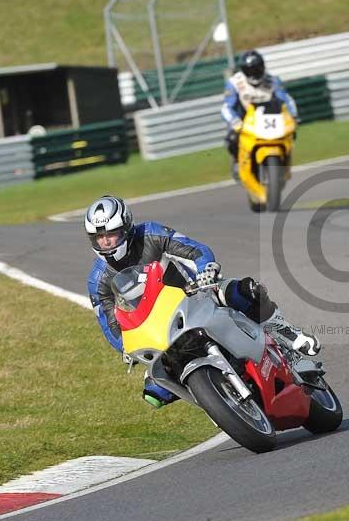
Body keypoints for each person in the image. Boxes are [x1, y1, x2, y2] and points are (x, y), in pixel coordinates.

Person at [85, 195, 320, 408]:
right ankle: (217, 401)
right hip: (159, 329)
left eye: (111, 234)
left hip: (195, 294)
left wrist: (205, 270)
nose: (105, 242)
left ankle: (286, 333)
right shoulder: (98, 281)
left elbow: (193, 249)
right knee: (154, 393)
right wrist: (124, 347)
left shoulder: (150, 234)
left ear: (126, 228)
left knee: (244, 290)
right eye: (99, 237)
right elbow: (109, 324)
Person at [221, 50, 299, 181]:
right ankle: (236, 162)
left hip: (270, 120)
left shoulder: (273, 81)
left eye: (257, 69)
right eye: (249, 70)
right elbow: (226, 107)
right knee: (232, 139)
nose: (253, 74)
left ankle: (284, 165)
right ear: (243, 70)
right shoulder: (235, 83)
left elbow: (287, 100)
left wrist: (293, 116)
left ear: (263, 67)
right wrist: (235, 122)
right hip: (244, 122)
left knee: (291, 134)